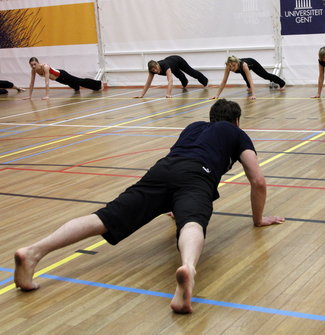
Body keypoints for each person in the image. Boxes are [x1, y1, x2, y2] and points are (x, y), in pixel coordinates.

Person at [14, 99, 285, 314]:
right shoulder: (235, 133)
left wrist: (170, 202)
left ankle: (34, 252)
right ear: (237, 121)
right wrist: (258, 219)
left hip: (161, 170)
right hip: (197, 177)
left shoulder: (193, 127)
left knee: (104, 217)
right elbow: (257, 180)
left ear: (211, 116)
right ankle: (188, 269)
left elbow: (176, 161)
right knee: (192, 222)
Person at [25, 57, 104, 100]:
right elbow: (32, 83)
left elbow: (46, 82)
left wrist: (47, 95)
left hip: (62, 75)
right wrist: (29, 96)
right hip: (58, 79)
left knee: (80, 81)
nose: (33, 66)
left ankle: (99, 84)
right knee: (70, 84)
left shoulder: (45, 67)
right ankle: (76, 88)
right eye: (31, 65)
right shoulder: (33, 70)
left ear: (38, 62)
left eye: (35, 64)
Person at [211, 56, 285, 100]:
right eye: (230, 66)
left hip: (252, 64)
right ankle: (249, 87)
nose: (232, 68)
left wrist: (253, 95)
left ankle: (282, 83)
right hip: (242, 69)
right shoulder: (228, 67)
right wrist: (217, 95)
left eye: (234, 65)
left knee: (265, 75)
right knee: (244, 75)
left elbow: (250, 79)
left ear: (237, 63)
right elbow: (224, 81)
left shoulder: (244, 65)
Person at [136, 56, 209, 98]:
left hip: (178, 60)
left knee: (191, 72)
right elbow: (148, 83)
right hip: (173, 66)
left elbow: (170, 80)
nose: (155, 70)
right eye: (153, 70)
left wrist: (168, 93)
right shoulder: (152, 71)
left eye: (156, 68)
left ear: (158, 64)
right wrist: (141, 95)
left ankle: (205, 81)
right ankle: (185, 83)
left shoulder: (164, 66)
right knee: (179, 76)